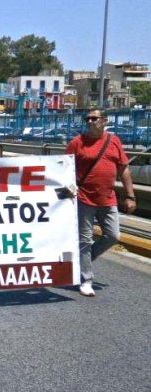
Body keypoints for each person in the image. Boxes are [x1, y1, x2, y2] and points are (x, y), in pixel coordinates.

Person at [65, 107, 136, 297]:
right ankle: (86, 279)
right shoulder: (76, 143)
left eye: (94, 118)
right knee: (84, 240)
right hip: (83, 198)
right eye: (87, 119)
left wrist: (130, 196)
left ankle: (81, 263)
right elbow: (63, 167)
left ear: (104, 121)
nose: (89, 122)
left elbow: (124, 169)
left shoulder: (113, 141)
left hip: (107, 198)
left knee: (113, 236)